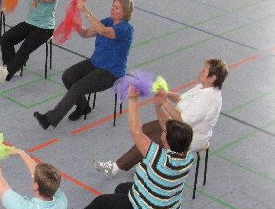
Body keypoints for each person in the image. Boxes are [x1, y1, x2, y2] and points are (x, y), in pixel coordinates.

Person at [63, 86, 194, 209]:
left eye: (165, 132)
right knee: (122, 189)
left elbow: (136, 131)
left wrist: (132, 100)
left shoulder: (159, 158)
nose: (162, 130)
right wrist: (158, 106)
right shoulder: (187, 155)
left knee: (102, 203)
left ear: (167, 140)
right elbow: (167, 128)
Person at [94, 58, 228, 178]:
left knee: (152, 139)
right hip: (181, 127)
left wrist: (163, 101)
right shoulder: (202, 87)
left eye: (204, 71)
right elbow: (181, 99)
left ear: (212, 78)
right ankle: (148, 164)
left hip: (189, 136)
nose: (200, 72)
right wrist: (166, 93)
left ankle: (114, 168)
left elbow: (182, 120)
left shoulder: (208, 99)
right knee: (146, 129)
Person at [34, 0, 134, 128]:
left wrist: (86, 11)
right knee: (68, 76)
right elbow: (86, 33)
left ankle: (49, 119)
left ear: (125, 11)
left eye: (116, 8)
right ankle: (83, 106)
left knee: (77, 87)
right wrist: (76, 25)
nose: (112, 9)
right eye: (112, 6)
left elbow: (103, 31)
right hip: (95, 63)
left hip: (111, 72)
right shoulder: (107, 21)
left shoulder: (126, 29)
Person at [0, 0, 59, 81]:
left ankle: (9, 72)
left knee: (24, 49)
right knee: (6, 39)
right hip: (29, 23)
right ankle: (12, 66)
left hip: (44, 29)